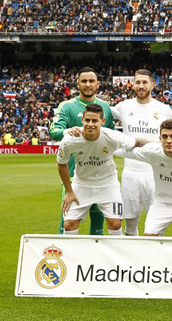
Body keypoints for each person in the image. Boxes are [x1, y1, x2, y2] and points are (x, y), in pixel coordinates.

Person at [50, 66, 115, 235]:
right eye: (84, 81)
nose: (88, 84)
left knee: (99, 222)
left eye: (91, 81)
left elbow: (111, 135)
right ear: (77, 83)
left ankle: (95, 259)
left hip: (100, 177)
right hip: (74, 175)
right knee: (68, 223)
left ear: (97, 84)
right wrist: (67, 131)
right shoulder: (67, 106)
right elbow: (54, 132)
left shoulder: (105, 107)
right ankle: (63, 259)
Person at [56, 104, 139, 236]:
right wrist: (69, 191)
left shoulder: (112, 136)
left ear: (103, 121)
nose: (90, 124)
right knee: (69, 225)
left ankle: (116, 256)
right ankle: (71, 256)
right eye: (87, 120)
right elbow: (61, 163)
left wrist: (160, 145)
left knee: (115, 224)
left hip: (108, 185)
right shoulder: (70, 140)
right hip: (81, 185)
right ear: (82, 120)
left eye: (95, 121)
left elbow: (136, 143)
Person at [111, 69, 172, 236]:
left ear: (152, 85)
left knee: (157, 225)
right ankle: (133, 259)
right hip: (130, 172)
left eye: (144, 82)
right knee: (130, 224)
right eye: (137, 82)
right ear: (133, 85)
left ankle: (157, 260)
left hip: (154, 172)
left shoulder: (164, 109)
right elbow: (100, 114)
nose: (141, 86)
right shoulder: (122, 107)